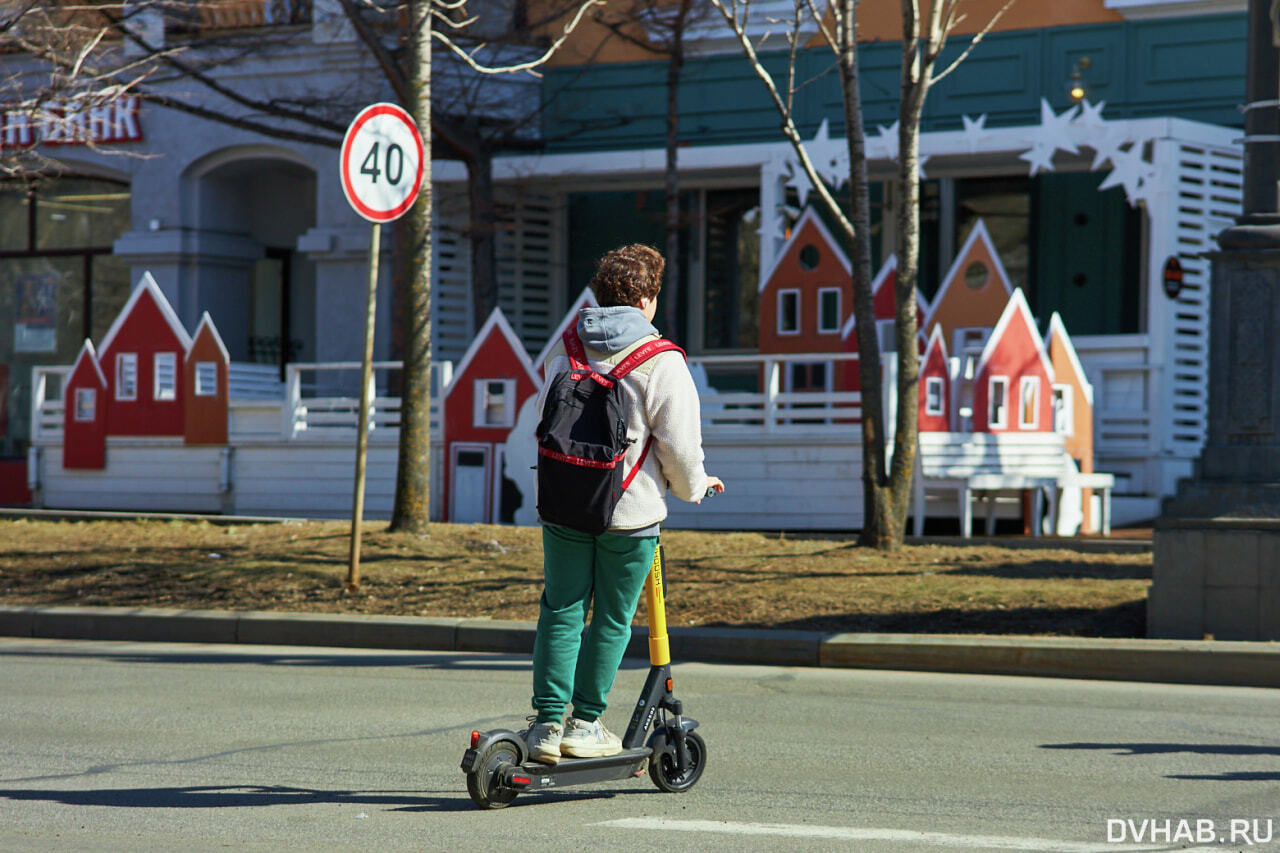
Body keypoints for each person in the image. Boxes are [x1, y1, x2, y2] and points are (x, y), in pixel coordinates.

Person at [524, 243, 724, 764]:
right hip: (630, 514)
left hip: (564, 503)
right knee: (612, 618)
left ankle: (546, 725)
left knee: (560, 610)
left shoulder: (564, 347)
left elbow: (544, 420)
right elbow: (680, 449)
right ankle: (585, 724)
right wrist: (695, 487)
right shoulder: (661, 362)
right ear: (646, 299)